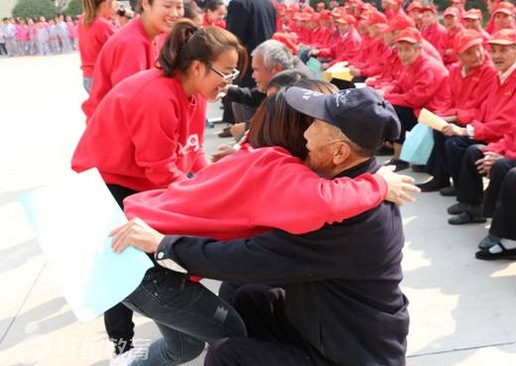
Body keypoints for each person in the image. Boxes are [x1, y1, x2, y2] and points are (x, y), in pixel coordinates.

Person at [111, 86, 410, 366]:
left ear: (340, 152)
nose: (305, 134)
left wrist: (165, 246)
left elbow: (250, 257)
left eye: (315, 125)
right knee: (246, 298)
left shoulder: (345, 219)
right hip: (330, 322)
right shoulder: (352, 182)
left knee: (226, 355)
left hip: (350, 355)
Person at [72, 20, 247, 358]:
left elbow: (192, 150)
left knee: (185, 344)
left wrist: (216, 185)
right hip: (111, 187)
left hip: (140, 183)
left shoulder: (192, 95)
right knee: (131, 273)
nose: (228, 83)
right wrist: (211, 203)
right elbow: (161, 172)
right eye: (225, 73)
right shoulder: (154, 95)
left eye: (233, 74)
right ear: (197, 66)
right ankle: (122, 347)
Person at [448, 50, 516, 226]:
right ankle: (473, 207)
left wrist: (506, 156)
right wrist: (492, 151)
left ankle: (500, 223)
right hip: (514, 153)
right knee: (475, 152)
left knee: (503, 165)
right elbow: (510, 136)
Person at [417, 30, 497, 192]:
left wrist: (453, 117)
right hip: (462, 119)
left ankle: (463, 188)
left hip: (480, 125)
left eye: (478, 48)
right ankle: (442, 177)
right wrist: (441, 114)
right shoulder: (455, 71)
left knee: (453, 142)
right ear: (459, 57)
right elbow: (449, 99)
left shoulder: (490, 72)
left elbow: (481, 108)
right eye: (469, 52)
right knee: (439, 130)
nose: (476, 55)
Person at [82, 0, 184, 119]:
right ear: (145, 4)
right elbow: (131, 107)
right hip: (113, 128)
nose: (175, 13)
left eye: (179, 6)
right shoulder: (131, 44)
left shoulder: (155, 34)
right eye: (167, 6)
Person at [384, 27, 451, 171]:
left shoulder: (428, 67)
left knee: (393, 110)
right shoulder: (411, 64)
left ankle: (399, 157)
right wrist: (386, 93)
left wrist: (386, 97)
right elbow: (398, 84)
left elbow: (415, 99)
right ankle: (394, 150)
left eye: (407, 49)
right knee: (387, 106)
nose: (402, 54)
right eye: (400, 49)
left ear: (418, 49)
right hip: (420, 110)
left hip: (433, 113)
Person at [219, 0, 276, 137]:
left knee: (245, 100)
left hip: (248, 60)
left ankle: (246, 138)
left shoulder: (240, 3)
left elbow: (232, 37)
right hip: (266, 58)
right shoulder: (267, 3)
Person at [78, 0, 118, 93]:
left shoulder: (84, 19)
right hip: (101, 79)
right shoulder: (103, 25)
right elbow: (124, 45)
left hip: (88, 76)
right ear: (106, 3)